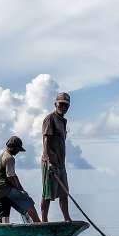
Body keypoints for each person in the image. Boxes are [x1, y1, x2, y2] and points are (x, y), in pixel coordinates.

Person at [0, 136, 41, 223]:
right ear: (11, 147)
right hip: (5, 189)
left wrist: (21, 190)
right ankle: (38, 223)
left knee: (1, 216)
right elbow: (11, 178)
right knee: (28, 202)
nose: (18, 151)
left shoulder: (3, 155)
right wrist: (19, 191)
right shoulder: (9, 158)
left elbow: (14, 176)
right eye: (17, 149)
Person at [41, 92, 72, 222]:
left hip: (61, 164)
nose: (64, 107)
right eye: (61, 104)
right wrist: (49, 161)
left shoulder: (63, 121)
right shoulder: (50, 119)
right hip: (50, 162)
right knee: (48, 194)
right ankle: (44, 221)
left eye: (66, 105)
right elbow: (46, 140)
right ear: (56, 104)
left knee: (64, 193)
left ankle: (67, 219)